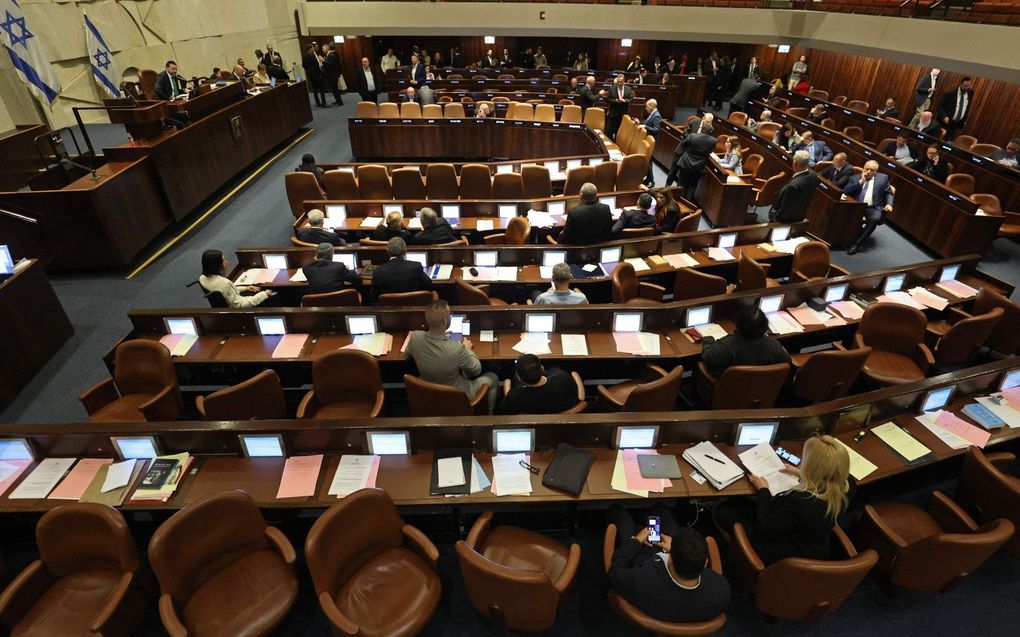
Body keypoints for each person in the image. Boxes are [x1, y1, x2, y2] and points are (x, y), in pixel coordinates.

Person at [714, 435, 855, 566]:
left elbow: (765, 528)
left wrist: (763, 490)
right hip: (815, 547)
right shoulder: (848, 485)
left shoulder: (801, 502)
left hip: (785, 557)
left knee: (724, 510)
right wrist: (803, 475)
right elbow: (827, 482)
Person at [607, 505, 731, 624]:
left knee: (618, 511)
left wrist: (637, 540)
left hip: (642, 559)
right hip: (672, 602)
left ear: (670, 558)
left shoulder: (642, 580)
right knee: (660, 509)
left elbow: (615, 572)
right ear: (705, 563)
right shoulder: (722, 590)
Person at [405, 300, 499, 413]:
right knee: (492, 377)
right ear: (445, 320)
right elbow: (476, 370)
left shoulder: (415, 337)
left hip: (428, 390)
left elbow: (407, 356)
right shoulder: (457, 349)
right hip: (457, 394)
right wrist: (467, 349)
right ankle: (490, 415)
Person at [701, 306, 791, 378]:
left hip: (729, 391)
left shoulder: (727, 345)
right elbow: (787, 363)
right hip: (762, 393)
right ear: (764, 326)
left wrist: (708, 340)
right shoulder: (774, 345)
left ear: (738, 324)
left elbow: (707, 357)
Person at [496, 354, 583, 415]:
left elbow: (504, 410)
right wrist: (574, 374)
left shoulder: (515, 396)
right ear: (542, 368)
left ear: (518, 377)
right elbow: (579, 397)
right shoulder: (562, 377)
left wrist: (507, 385)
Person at [844, 160, 894, 254]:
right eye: (867, 169)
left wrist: (889, 204)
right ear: (864, 168)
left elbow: (888, 193)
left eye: (872, 170)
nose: (869, 172)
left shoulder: (883, 178)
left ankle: (857, 244)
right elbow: (846, 191)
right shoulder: (855, 178)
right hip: (856, 206)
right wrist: (861, 181)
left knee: (875, 218)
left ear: (876, 171)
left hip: (873, 207)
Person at [199, 249, 272, 308]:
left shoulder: (202, 278)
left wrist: (245, 288)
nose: (226, 262)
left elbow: (225, 293)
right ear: (216, 265)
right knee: (272, 297)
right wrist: (264, 294)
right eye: (223, 260)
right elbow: (240, 305)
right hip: (237, 311)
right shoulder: (224, 283)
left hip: (225, 306)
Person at [667, 128, 717, 198]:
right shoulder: (713, 140)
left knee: (681, 182)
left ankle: (677, 198)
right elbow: (710, 151)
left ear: (702, 129)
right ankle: (687, 202)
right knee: (693, 185)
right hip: (699, 166)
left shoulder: (692, 136)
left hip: (685, 163)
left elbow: (684, 144)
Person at [769, 151, 818, 223]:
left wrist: (774, 219)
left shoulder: (793, 186)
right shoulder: (813, 175)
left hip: (785, 221)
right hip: (799, 217)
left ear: (795, 163)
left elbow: (784, 211)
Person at [606, 75, 634, 139]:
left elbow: (631, 99)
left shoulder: (628, 89)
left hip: (623, 113)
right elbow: (608, 99)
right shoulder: (612, 88)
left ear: (624, 81)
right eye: (618, 82)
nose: (619, 83)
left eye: (620, 82)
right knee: (609, 130)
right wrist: (615, 100)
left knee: (619, 130)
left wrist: (624, 100)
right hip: (613, 113)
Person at [642, 99, 662, 186]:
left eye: (647, 106)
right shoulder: (652, 114)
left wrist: (645, 126)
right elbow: (648, 123)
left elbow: (656, 129)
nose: (646, 108)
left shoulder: (656, 116)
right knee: (648, 160)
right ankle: (649, 180)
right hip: (648, 140)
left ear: (652, 106)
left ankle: (651, 181)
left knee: (649, 160)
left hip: (651, 141)